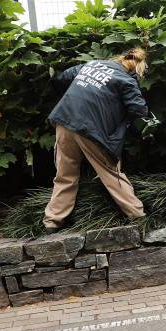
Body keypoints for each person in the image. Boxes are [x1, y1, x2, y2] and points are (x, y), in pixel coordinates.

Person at [42, 48, 149, 234]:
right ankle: (138, 216)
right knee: (111, 173)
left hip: (65, 119)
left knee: (65, 174)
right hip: (91, 129)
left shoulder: (91, 64)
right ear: (136, 68)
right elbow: (139, 111)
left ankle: (52, 222)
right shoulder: (126, 79)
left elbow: (61, 79)